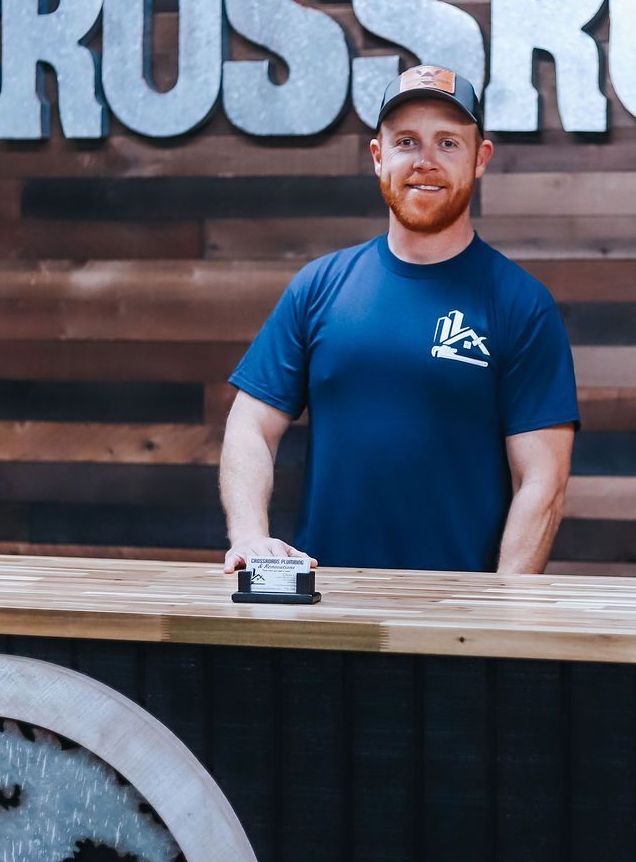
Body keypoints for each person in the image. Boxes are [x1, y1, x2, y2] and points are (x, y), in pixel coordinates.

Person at [219, 63, 579, 575]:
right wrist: (251, 537)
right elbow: (251, 423)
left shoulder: (520, 304)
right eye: (406, 141)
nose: (425, 161)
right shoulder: (319, 287)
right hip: (322, 610)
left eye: (448, 143)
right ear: (378, 155)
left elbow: (543, 482)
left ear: (480, 158)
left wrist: (503, 613)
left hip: (456, 619)